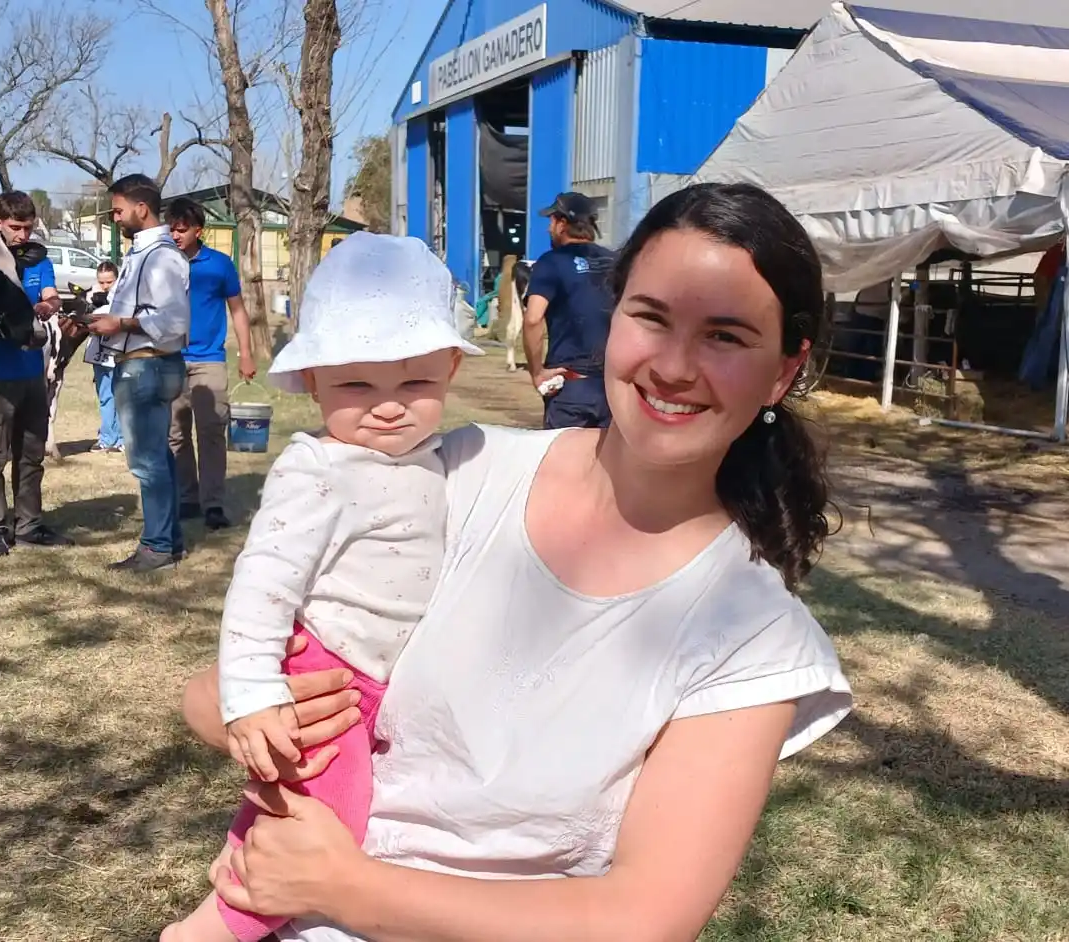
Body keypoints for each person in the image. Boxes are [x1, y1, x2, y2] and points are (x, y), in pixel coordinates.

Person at [175, 182, 854, 941]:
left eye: (725, 337)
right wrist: (246, 708)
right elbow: (216, 695)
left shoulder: (752, 635)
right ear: (611, 317)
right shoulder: (452, 471)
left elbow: (641, 921)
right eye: (651, 317)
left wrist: (347, 889)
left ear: (783, 371)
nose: (674, 366)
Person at [161, 233, 481, 942]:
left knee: (316, 813)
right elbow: (263, 585)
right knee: (323, 816)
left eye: (417, 384)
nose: (390, 407)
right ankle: (208, 932)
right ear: (311, 381)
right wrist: (249, 696)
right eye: (358, 386)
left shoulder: (442, 457)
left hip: (380, 683)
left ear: (452, 367)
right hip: (324, 667)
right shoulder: (319, 468)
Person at [87, 173, 191, 573]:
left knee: (147, 463)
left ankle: (157, 548)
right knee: (157, 459)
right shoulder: (142, 254)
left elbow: (172, 320)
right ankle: (169, 541)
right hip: (145, 363)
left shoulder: (160, 256)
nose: (115, 218)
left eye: (118, 210)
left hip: (147, 365)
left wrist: (121, 325)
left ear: (140, 208)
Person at [0, 190, 73, 557]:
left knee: (31, 454)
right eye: (15, 227)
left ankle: (29, 525)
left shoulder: (38, 259)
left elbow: (51, 294)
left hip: (32, 370)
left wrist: (49, 303)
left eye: (28, 228)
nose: (23, 236)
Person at [166, 197, 258, 531]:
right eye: (172, 229)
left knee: (212, 433)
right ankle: (188, 498)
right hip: (170, 360)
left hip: (209, 361)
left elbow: (237, 310)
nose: (176, 235)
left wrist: (245, 353)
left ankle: (213, 503)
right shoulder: (163, 262)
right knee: (175, 434)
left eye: (183, 230)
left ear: (198, 230)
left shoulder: (219, 264)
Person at [522, 191, 617, 429]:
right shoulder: (617, 261)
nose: (548, 229)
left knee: (563, 463)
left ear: (562, 224)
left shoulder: (551, 262)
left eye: (551, 221)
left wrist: (536, 372)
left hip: (571, 389)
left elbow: (533, 319)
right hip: (614, 390)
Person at [87, 260, 124, 454]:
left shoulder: (124, 295)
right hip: (99, 353)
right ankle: (107, 438)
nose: (105, 286)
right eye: (101, 282)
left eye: (109, 281)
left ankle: (121, 439)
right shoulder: (92, 296)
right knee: (105, 395)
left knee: (121, 395)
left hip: (119, 351)